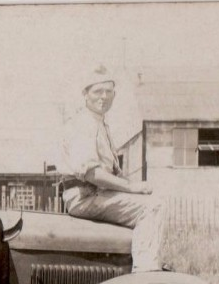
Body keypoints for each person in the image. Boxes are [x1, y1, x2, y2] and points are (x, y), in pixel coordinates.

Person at [60, 65, 166, 272]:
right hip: (85, 195)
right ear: (85, 94)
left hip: (96, 193)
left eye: (109, 92)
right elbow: (92, 174)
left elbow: (111, 171)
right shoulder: (83, 124)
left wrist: (134, 185)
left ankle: (130, 265)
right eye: (97, 91)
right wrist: (132, 188)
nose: (104, 97)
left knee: (152, 199)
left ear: (114, 95)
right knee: (153, 207)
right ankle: (146, 271)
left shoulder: (100, 125)